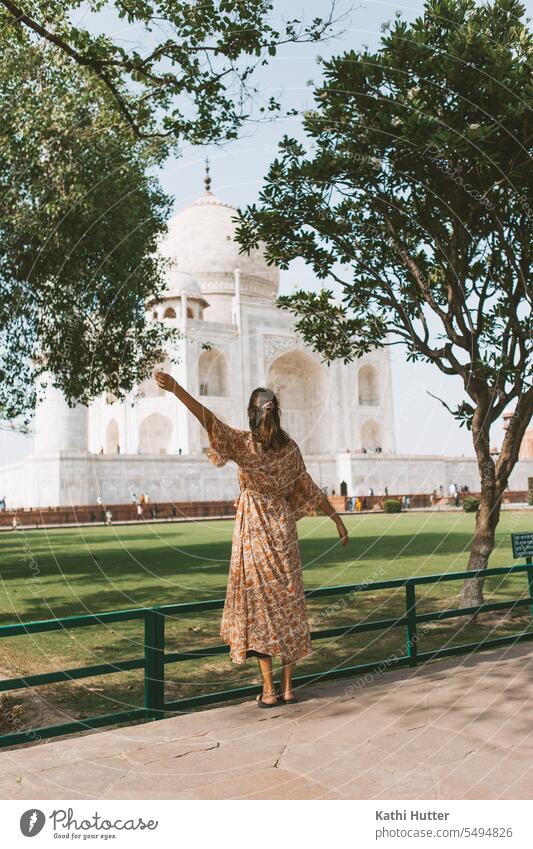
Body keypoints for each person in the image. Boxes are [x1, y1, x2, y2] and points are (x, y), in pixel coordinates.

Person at [155, 370, 349, 708]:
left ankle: (269, 690)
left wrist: (176, 390)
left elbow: (209, 421)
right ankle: (289, 688)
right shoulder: (290, 449)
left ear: (252, 413)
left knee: (261, 610)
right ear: (276, 412)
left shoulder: (246, 445)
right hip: (284, 532)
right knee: (288, 607)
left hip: (255, 532)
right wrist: (336, 518)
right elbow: (309, 487)